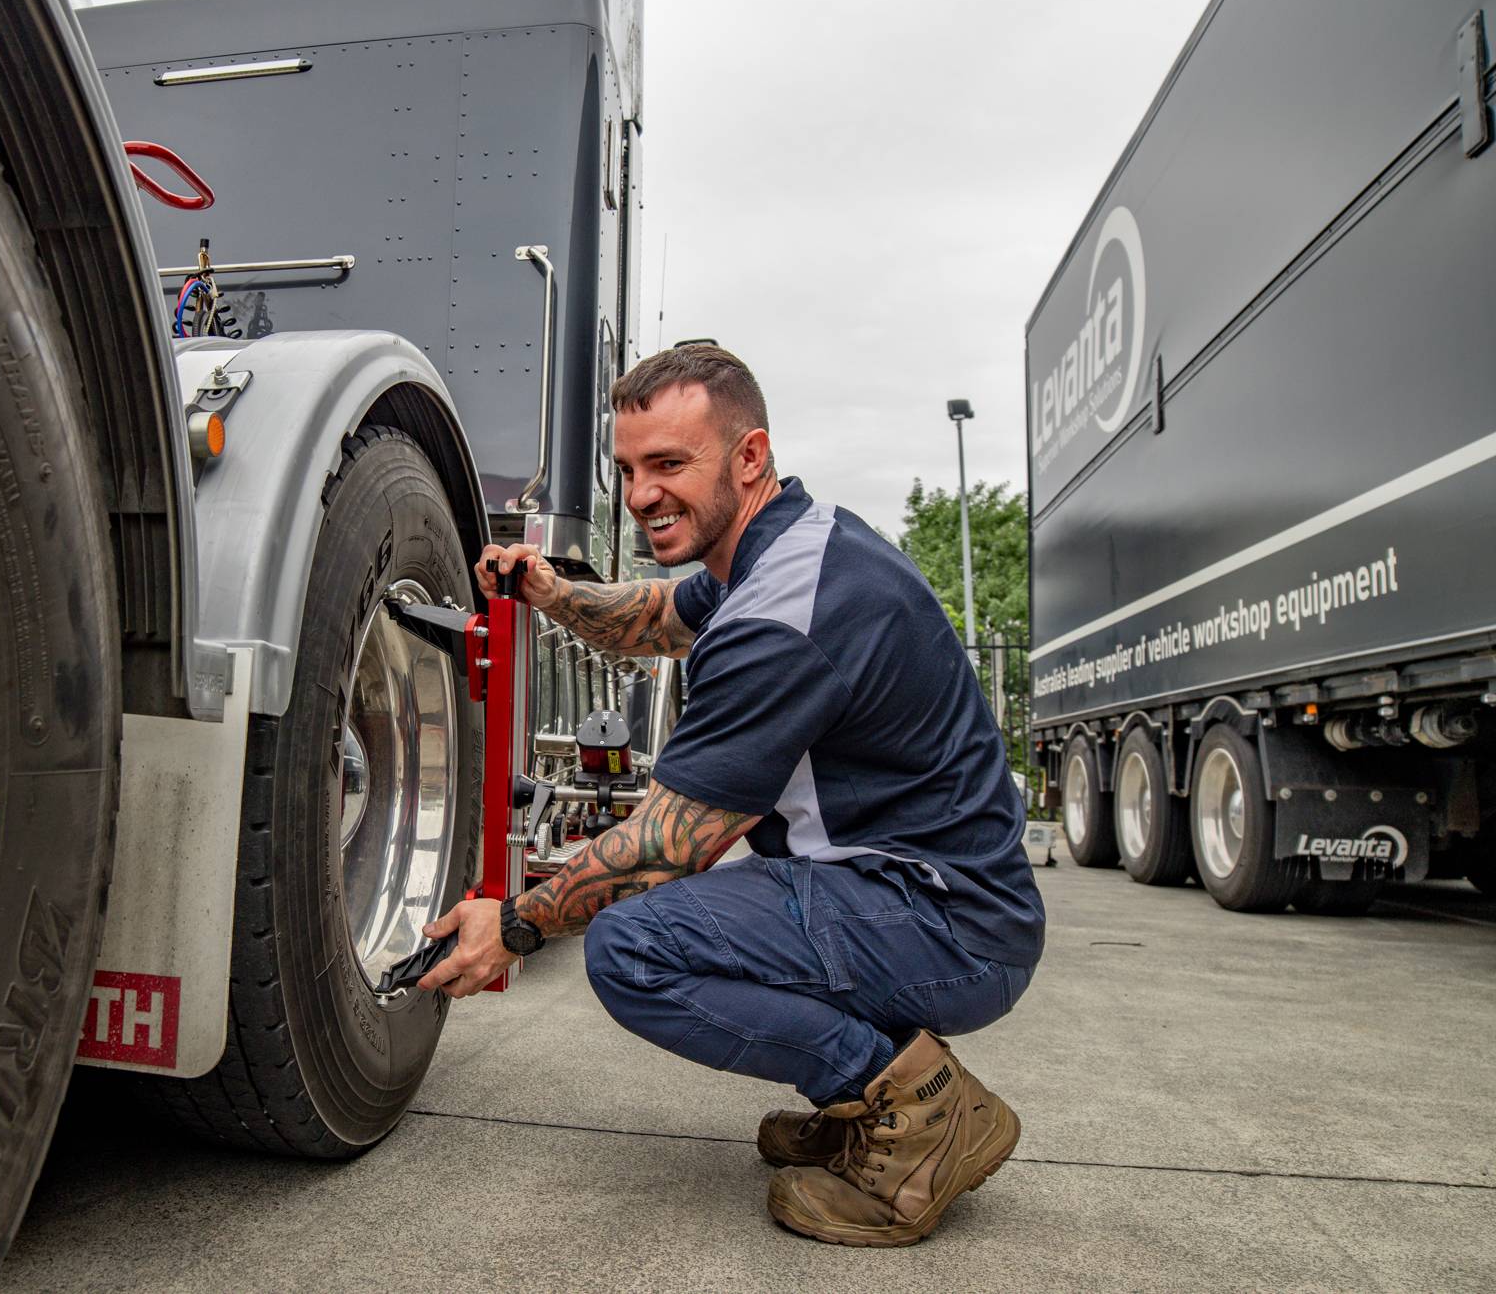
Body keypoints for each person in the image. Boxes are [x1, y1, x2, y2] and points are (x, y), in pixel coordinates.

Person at [417, 343, 1045, 1247]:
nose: (640, 495)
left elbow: (666, 847)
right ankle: (866, 1097)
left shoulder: (781, 619)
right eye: (629, 468)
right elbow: (657, 617)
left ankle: (915, 1112)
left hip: (946, 923)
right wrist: (553, 593)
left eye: (670, 464)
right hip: (929, 898)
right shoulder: (789, 546)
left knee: (633, 947)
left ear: (749, 456)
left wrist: (512, 919)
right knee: (692, 916)